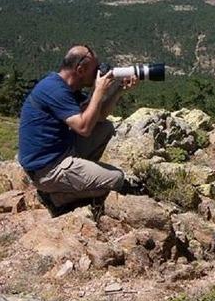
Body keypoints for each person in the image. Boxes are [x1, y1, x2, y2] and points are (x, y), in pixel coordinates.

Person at [17, 44, 137, 216]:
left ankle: (79, 178)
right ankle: (58, 198)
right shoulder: (53, 89)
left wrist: (118, 91)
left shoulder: (67, 87)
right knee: (116, 179)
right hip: (47, 170)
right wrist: (98, 91)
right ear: (80, 69)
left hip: (58, 153)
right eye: (95, 69)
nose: (98, 72)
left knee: (105, 128)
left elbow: (99, 116)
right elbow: (84, 128)